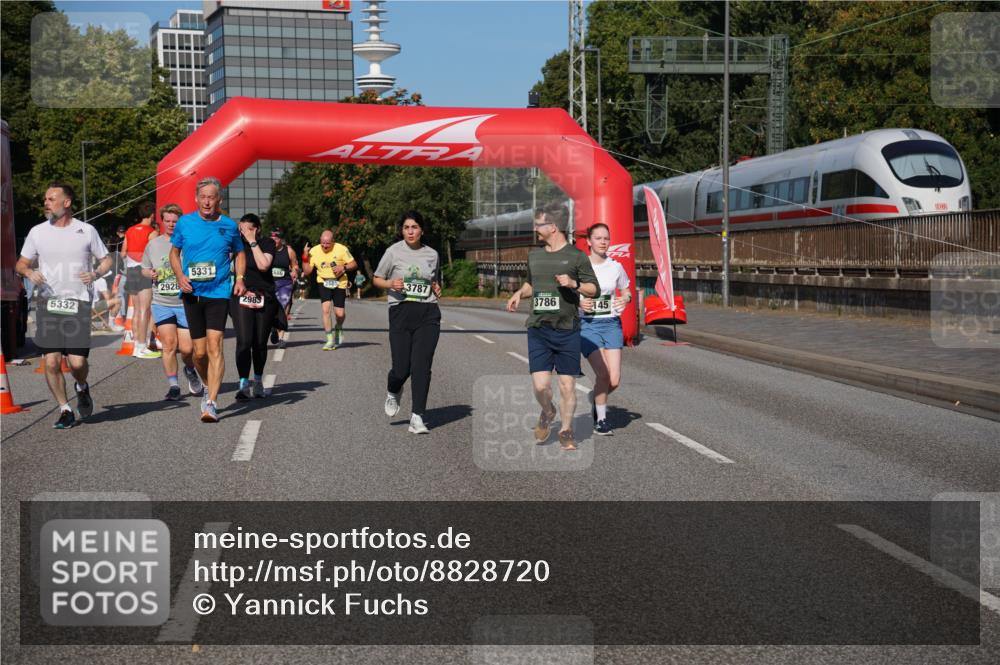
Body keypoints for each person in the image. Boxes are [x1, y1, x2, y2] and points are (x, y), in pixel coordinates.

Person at [15, 182, 112, 429]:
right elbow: (21, 263)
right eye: (46, 199)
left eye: (51, 198)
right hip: (48, 302)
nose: (46, 203)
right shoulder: (37, 232)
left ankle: (81, 386)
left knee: (77, 363)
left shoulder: (86, 230)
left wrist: (96, 273)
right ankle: (64, 408)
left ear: (66, 202)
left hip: (77, 301)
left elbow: (107, 259)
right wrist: (29, 272)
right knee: (51, 361)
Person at [505, 203, 598, 451]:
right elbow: (531, 284)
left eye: (539, 224)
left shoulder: (577, 256)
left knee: (567, 385)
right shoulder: (534, 255)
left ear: (553, 227)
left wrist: (572, 283)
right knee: (541, 385)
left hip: (567, 329)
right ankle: (548, 410)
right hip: (539, 328)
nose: (535, 228)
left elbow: (593, 289)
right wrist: (519, 293)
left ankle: (566, 431)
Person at [169, 176, 246, 423]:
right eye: (203, 197)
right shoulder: (185, 223)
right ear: (196, 199)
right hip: (192, 292)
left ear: (219, 200)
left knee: (216, 345)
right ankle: (205, 384)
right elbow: (174, 252)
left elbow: (240, 253)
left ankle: (211, 402)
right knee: (198, 354)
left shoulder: (229, 226)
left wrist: (241, 278)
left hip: (218, 292)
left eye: (211, 197)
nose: (207, 202)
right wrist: (180, 275)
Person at [372, 211, 443, 434]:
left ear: (422, 230)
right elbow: (376, 279)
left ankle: (417, 417)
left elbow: (434, 280)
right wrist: (391, 284)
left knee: (421, 365)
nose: (410, 231)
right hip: (400, 312)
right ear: (401, 230)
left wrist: (437, 287)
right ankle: (394, 389)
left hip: (428, 312)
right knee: (402, 369)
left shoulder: (432, 254)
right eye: (406, 227)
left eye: (414, 227)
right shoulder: (392, 252)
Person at [141, 203, 205, 401]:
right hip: (161, 302)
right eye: (167, 221)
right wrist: (149, 273)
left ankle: (190, 369)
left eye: (174, 221)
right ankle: (174, 386)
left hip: (184, 302)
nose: (170, 224)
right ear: (162, 221)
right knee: (169, 345)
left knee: (187, 349)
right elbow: (144, 268)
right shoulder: (153, 244)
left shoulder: (188, 242)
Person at [578, 223, 631, 436]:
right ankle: (601, 420)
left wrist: (625, 299)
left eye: (606, 238)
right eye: (598, 238)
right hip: (588, 325)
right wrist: (579, 303)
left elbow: (626, 290)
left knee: (614, 380)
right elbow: (567, 293)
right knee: (603, 373)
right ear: (589, 241)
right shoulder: (580, 267)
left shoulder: (615, 267)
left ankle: (596, 399)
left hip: (611, 324)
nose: (603, 242)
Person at [230, 213, 278, 400]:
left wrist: (252, 242)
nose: (244, 233)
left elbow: (264, 265)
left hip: (263, 296)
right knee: (244, 342)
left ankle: (257, 380)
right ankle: (243, 383)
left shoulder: (267, 244)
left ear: (257, 229)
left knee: (259, 343)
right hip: (241, 295)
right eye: (241, 229)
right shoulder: (235, 244)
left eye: (248, 229)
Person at [303, 229, 357, 350]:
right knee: (326, 310)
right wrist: (305, 257)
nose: (325, 245)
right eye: (323, 243)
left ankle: (338, 327)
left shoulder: (341, 249)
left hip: (339, 282)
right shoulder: (314, 251)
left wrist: (343, 267)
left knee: (340, 313)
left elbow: (354, 264)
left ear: (333, 241)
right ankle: (329, 339)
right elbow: (307, 271)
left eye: (328, 243)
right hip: (323, 281)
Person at [121, 201, 161, 359]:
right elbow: (155, 255)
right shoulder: (152, 232)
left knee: (137, 310)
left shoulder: (129, 230)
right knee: (145, 309)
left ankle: (137, 346)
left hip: (131, 270)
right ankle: (142, 346)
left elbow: (123, 253)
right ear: (152, 215)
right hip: (143, 270)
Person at [268, 229, 298, 349]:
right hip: (269, 283)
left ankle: (281, 338)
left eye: (276, 238)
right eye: (272, 239)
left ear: (281, 240)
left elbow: (295, 264)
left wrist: (295, 271)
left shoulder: (289, 251)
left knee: (282, 309)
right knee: (270, 310)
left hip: (285, 283)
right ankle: (273, 328)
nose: (274, 240)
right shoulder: (266, 250)